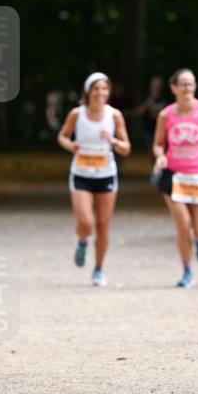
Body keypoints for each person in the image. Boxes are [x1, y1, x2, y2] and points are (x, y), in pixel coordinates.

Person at [152, 68, 198, 288]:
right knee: (183, 225)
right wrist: (160, 156)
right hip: (174, 177)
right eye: (183, 84)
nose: (187, 88)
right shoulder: (166, 115)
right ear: (173, 87)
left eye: (190, 84)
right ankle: (187, 270)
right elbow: (158, 143)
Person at [57, 72, 131, 286]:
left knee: (103, 225)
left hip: (106, 175)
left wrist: (112, 141)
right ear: (88, 92)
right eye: (96, 89)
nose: (100, 93)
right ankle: (82, 240)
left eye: (104, 89)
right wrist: (71, 145)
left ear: (109, 92)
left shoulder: (114, 115)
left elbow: (126, 148)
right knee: (86, 222)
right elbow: (62, 136)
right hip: (81, 174)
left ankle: (98, 269)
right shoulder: (77, 114)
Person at [132, 75, 166, 146]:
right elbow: (138, 113)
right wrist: (148, 101)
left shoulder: (166, 97)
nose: (156, 87)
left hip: (162, 130)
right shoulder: (145, 96)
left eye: (158, 85)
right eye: (154, 85)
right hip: (148, 130)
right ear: (150, 85)